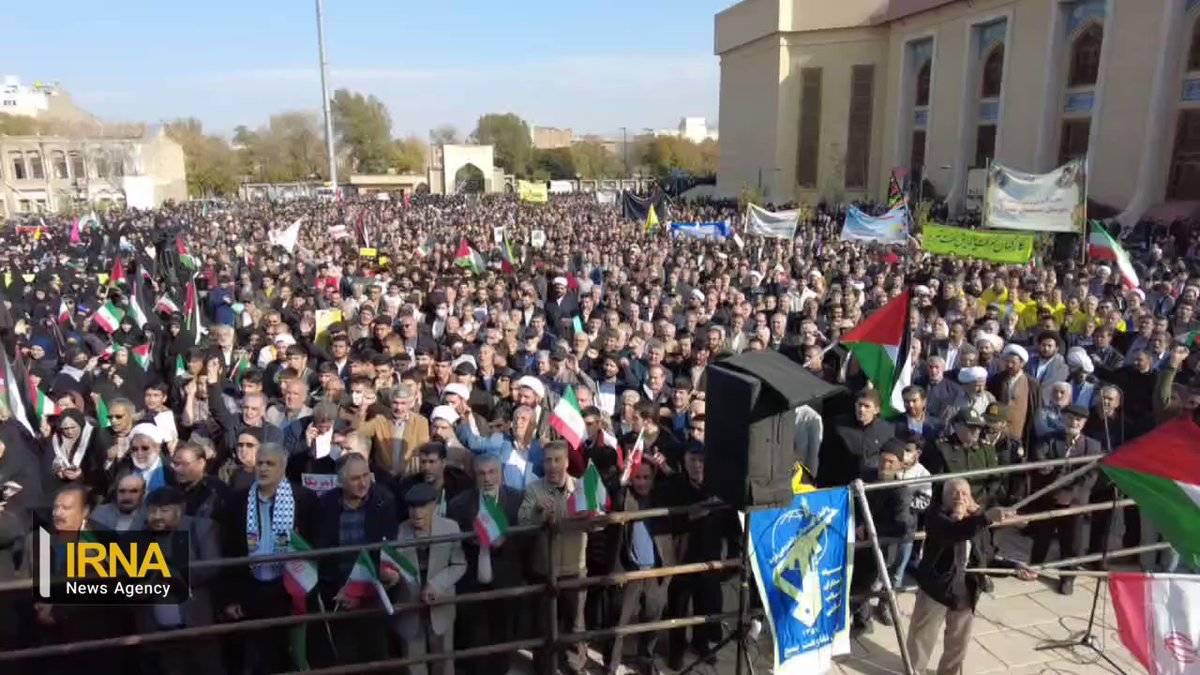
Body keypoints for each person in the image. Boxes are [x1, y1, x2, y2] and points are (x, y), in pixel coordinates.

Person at [906, 479, 1030, 675]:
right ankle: (914, 671)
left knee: (958, 644)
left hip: (965, 589)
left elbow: (987, 558)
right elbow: (952, 533)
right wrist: (984, 518)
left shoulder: (977, 521)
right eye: (954, 494)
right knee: (922, 637)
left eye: (964, 494)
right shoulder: (936, 516)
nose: (960, 498)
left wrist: (1014, 567)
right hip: (936, 587)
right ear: (944, 499)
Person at [218, 441, 319, 674]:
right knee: (255, 656)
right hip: (250, 588)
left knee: (288, 655)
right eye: (260, 463)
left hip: (289, 588)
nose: (263, 468)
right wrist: (230, 597)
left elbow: (315, 545)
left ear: (283, 467)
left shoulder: (304, 499)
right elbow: (230, 549)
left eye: (270, 464)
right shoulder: (238, 501)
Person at [312, 454, 397, 667]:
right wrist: (340, 590)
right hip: (339, 595)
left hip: (373, 593)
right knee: (345, 659)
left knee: (377, 658)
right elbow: (323, 551)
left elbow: (387, 550)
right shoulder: (325, 504)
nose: (363, 483)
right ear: (340, 481)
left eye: (366, 475)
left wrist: (360, 591)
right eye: (355, 478)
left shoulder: (384, 500)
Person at [446, 453, 524, 675]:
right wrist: (470, 539)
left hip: (505, 583)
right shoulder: (458, 504)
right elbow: (453, 543)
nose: (487, 479)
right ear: (474, 476)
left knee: (503, 641)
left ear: (500, 474)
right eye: (482, 474)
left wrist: (507, 541)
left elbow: (529, 539)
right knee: (476, 643)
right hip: (472, 584)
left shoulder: (518, 500)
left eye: (492, 472)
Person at [135, 485, 223, 675]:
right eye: (152, 511)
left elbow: (211, 566)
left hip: (196, 622)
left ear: (180, 510)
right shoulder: (140, 536)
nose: (157, 516)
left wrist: (169, 573)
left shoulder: (200, 527)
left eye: (164, 511)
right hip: (158, 629)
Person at [518, 441, 589, 674]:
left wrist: (589, 516)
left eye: (558, 460)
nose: (552, 465)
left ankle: (573, 668)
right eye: (548, 460)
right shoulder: (533, 489)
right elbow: (522, 524)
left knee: (574, 625)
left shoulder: (580, 488)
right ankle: (545, 670)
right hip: (544, 570)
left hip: (574, 568)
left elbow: (597, 525)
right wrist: (539, 514)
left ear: (567, 462)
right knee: (545, 626)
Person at [389, 482, 466, 675]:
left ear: (434, 506)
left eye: (422, 506)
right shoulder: (398, 532)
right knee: (414, 666)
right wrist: (390, 576)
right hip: (410, 608)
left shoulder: (450, 528)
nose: (416, 513)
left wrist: (438, 584)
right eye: (412, 507)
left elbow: (459, 564)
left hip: (441, 607)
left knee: (443, 662)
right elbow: (390, 569)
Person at [605, 462, 674, 674]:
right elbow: (614, 496)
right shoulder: (626, 497)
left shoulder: (661, 496)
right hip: (630, 570)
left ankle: (646, 662)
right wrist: (623, 479)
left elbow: (678, 486)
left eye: (646, 477)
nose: (642, 482)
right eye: (638, 477)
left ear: (653, 479)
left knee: (652, 620)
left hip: (656, 571)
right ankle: (611, 666)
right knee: (619, 623)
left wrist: (664, 467)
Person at [1028, 405, 1101, 594]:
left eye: (1078, 420)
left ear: (1084, 423)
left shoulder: (1092, 446)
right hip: (1049, 498)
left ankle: (1067, 577)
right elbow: (1040, 459)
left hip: (1074, 503)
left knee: (1072, 542)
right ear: (1063, 419)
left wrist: (1070, 494)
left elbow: (1090, 476)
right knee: (1042, 536)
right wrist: (1049, 473)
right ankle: (1035, 567)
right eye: (1069, 418)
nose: (1073, 423)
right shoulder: (1050, 440)